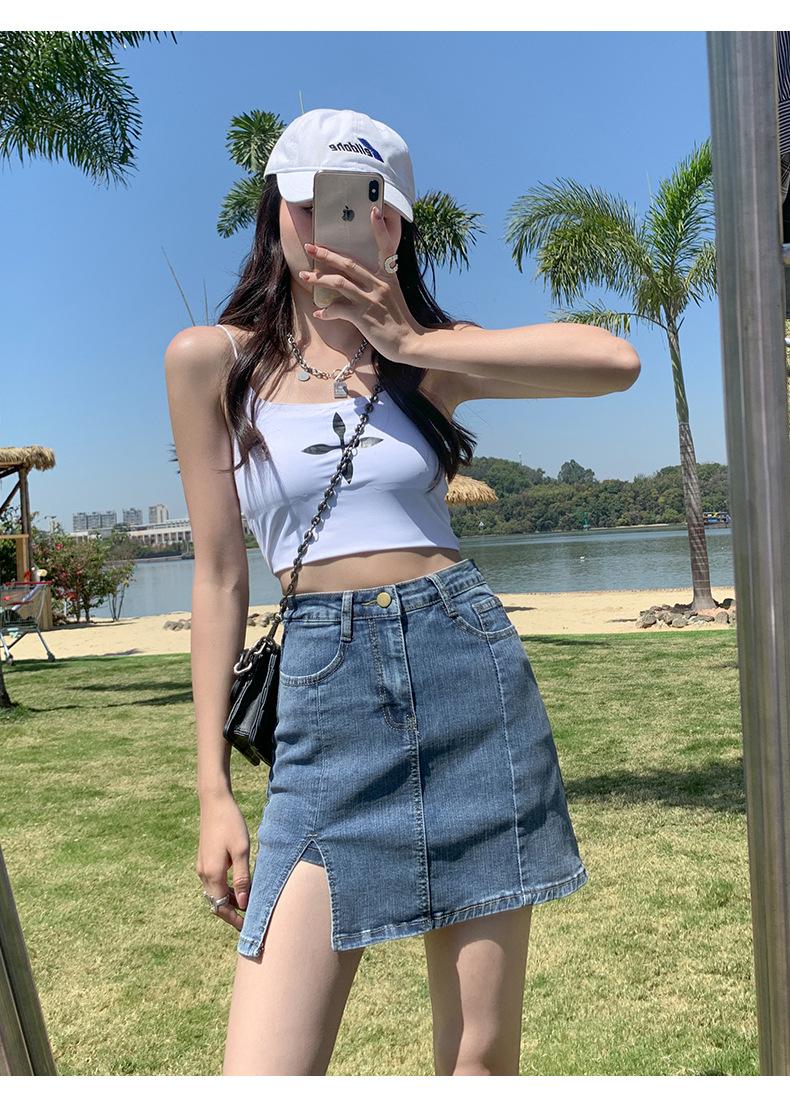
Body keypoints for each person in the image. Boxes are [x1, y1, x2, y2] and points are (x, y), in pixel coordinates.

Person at [164, 107, 641, 1077]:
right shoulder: (214, 361)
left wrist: (410, 339)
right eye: (315, 202)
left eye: (368, 207)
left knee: (478, 1058)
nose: (337, 226)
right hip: (323, 698)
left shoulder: (428, 358)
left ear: (395, 225)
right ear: (277, 208)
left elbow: (612, 361)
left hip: (467, 674)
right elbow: (219, 575)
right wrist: (213, 787)